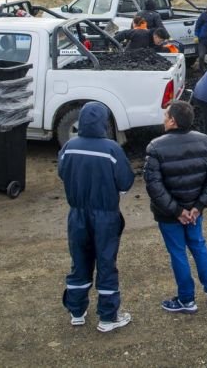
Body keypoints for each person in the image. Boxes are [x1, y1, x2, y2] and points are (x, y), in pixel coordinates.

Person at [57, 102, 134, 333]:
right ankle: (108, 317)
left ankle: (77, 311)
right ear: (104, 122)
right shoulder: (111, 149)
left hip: (77, 214)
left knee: (79, 260)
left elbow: (62, 172)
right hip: (106, 216)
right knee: (106, 263)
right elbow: (126, 182)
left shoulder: (69, 147)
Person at [144, 101, 207, 314]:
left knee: (178, 253)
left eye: (165, 115)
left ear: (173, 121)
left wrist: (177, 211)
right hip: (195, 214)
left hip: (170, 215)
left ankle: (187, 300)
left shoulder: (155, 147)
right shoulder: (205, 142)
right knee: (199, 246)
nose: (163, 118)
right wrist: (197, 207)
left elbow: (154, 186)